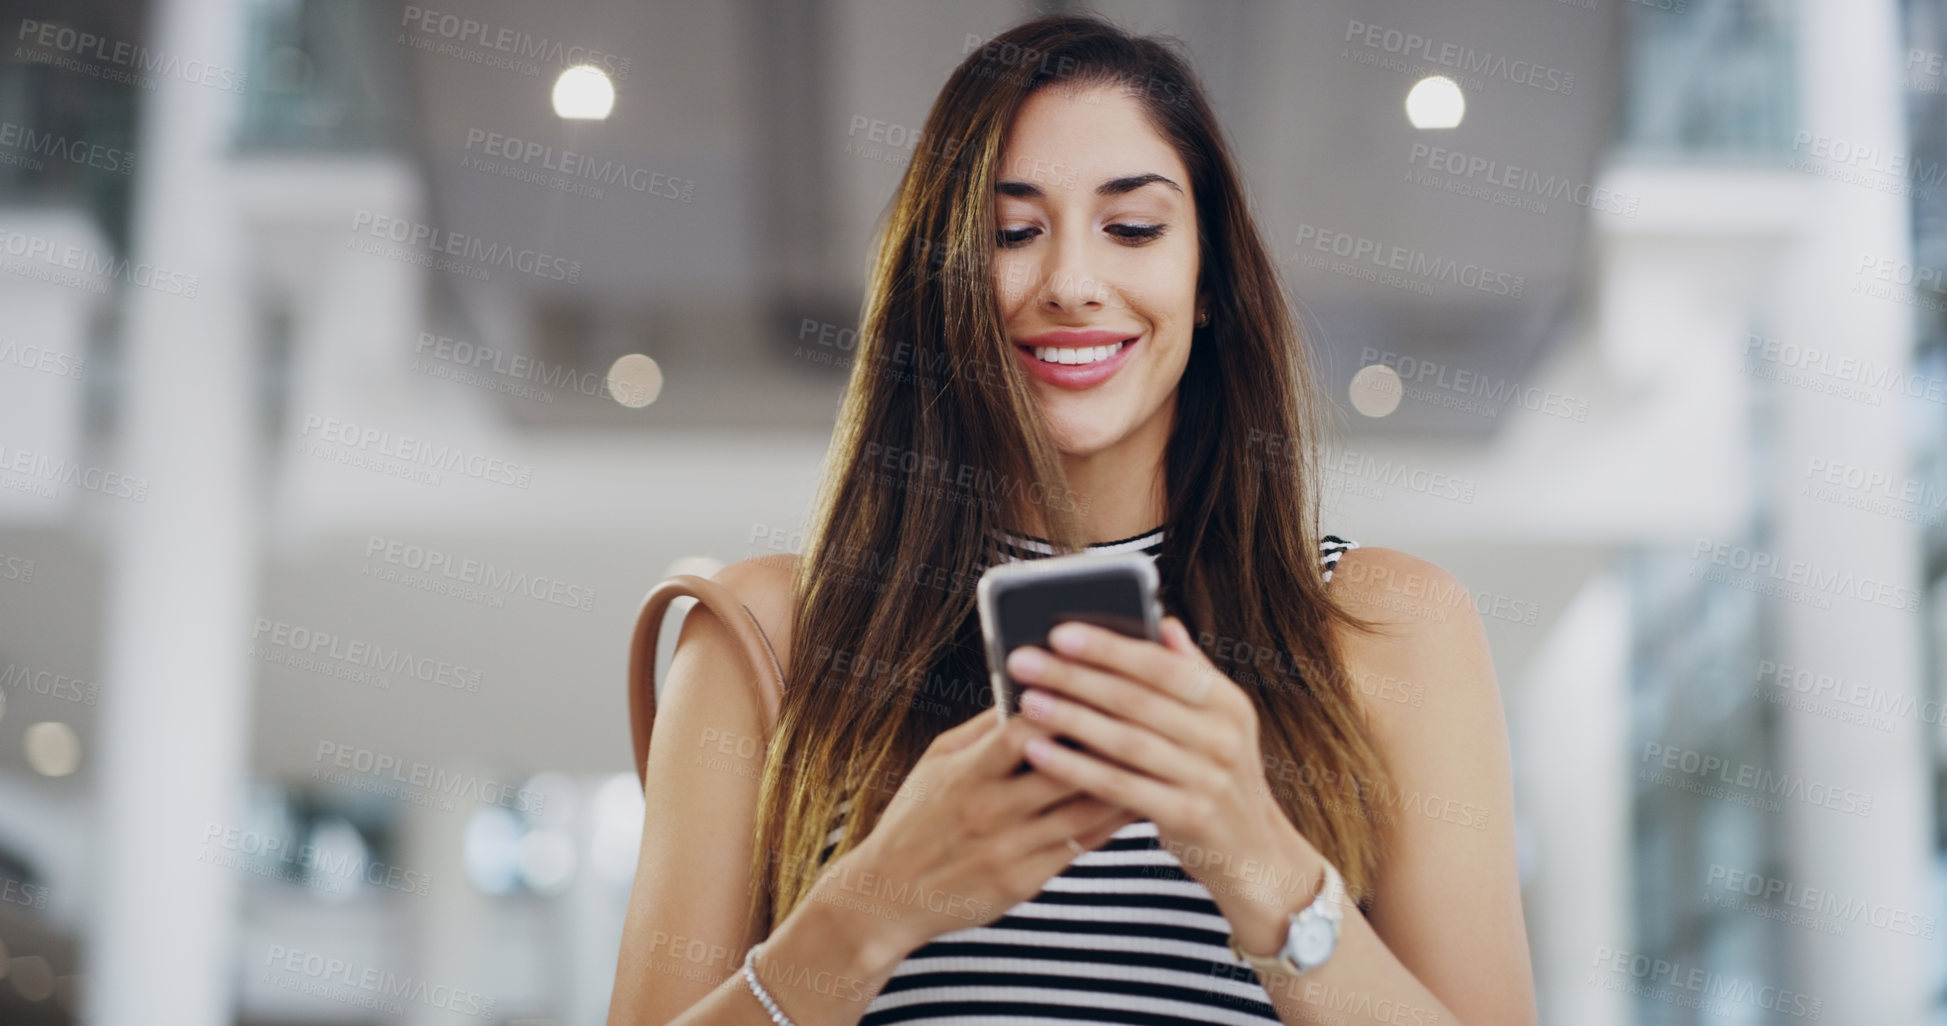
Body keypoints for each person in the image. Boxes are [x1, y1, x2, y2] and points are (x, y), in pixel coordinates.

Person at [610, 12, 1536, 1026]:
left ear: (1209, 279)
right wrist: (875, 905)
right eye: (1013, 233)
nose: (1073, 285)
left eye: (1133, 228)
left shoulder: (1381, 629)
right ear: (942, 281)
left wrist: (1268, 868)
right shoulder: (768, 638)